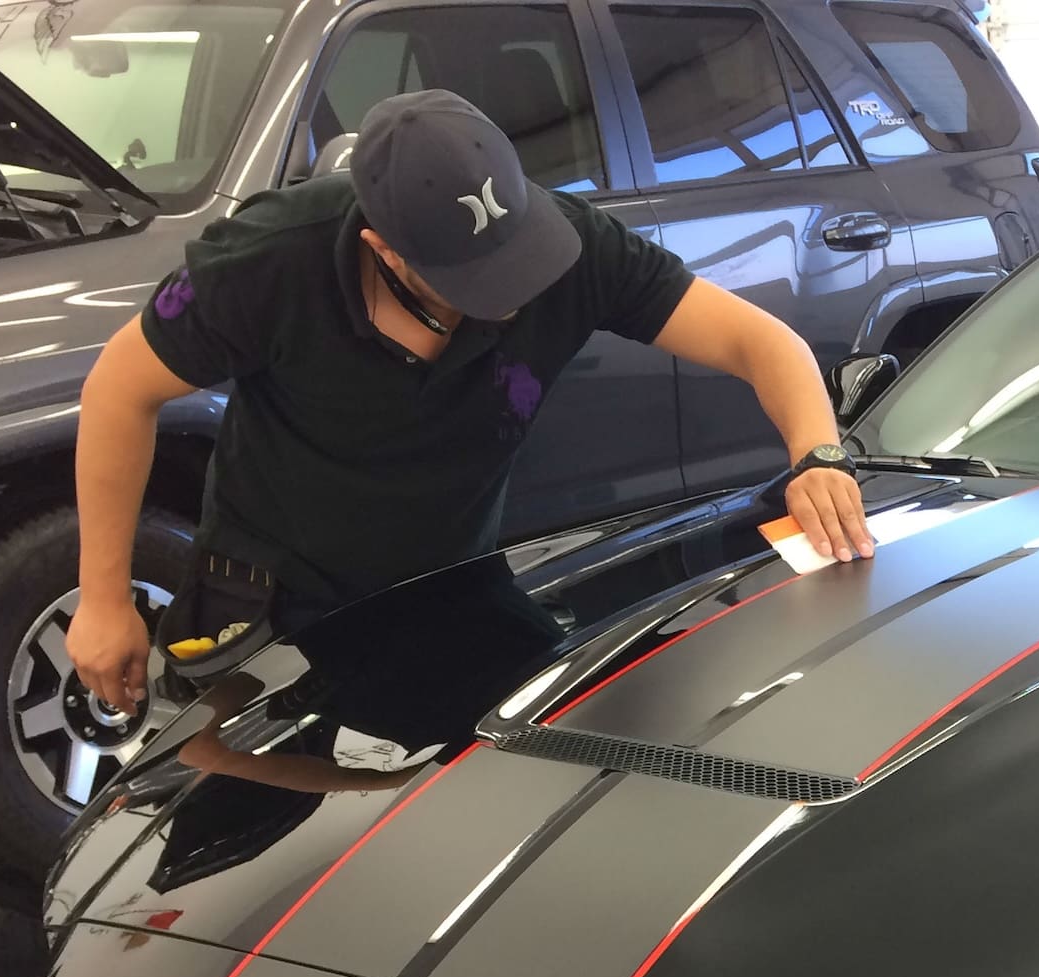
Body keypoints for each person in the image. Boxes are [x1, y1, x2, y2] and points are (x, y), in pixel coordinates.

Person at [67, 89, 875, 710]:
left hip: (449, 595)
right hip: (275, 608)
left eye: (517, 257)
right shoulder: (270, 260)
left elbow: (762, 342)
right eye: (478, 282)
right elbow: (119, 390)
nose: (515, 296)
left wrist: (818, 455)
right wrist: (103, 600)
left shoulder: (576, 248)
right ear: (382, 247)